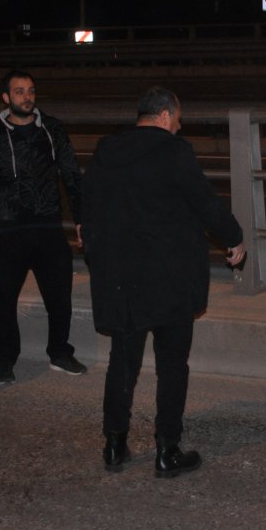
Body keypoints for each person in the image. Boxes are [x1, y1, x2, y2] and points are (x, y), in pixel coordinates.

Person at [82, 86, 246, 478]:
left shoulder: (106, 151)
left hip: (121, 279)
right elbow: (204, 202)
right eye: (178, 118)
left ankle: (114, 445)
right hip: (170, 278)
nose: (178, 125)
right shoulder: (175, 151)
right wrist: (234, 237)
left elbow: (88, 206)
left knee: (122, 364)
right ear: (165, 116)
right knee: (172, 366)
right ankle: (167, 450)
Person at [0, 70, 86, 384]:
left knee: (59, 297)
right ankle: (4, 360)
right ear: (6, 98)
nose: (27, 96)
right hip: (9, 229)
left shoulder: (52, 129)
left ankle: (60, 353)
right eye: (19, 91)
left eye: (31, 90)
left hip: (48, 227)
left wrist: (81, 218)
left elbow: (71, 176)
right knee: (6, 300)